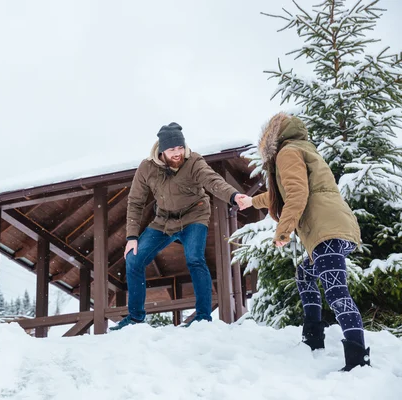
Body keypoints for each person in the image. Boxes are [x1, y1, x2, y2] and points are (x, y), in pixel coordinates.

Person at [238, 112, 370, 371]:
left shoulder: (287, 154)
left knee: (336, 292)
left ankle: (357, 361)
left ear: (273, 140)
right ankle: (313, 339)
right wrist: (252, 201)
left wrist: (283, 231)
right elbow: (285, 193)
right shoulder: (302, 149)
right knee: (305, 273)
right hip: (334, 224)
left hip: (325, 228)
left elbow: (297, 194)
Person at [110, 122, 249, 331]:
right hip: (163, 221)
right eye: (172, 149)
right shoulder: (147, 168)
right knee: (134, 259)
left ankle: (202, 317)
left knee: (195, 258)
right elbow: (135, 202)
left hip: (195, 216)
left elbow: (212, 180)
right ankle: (136, 318)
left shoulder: (193, 161)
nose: (178, 153)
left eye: (180, 148)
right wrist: (131, 237)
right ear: (162, 150)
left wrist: (233, 195)